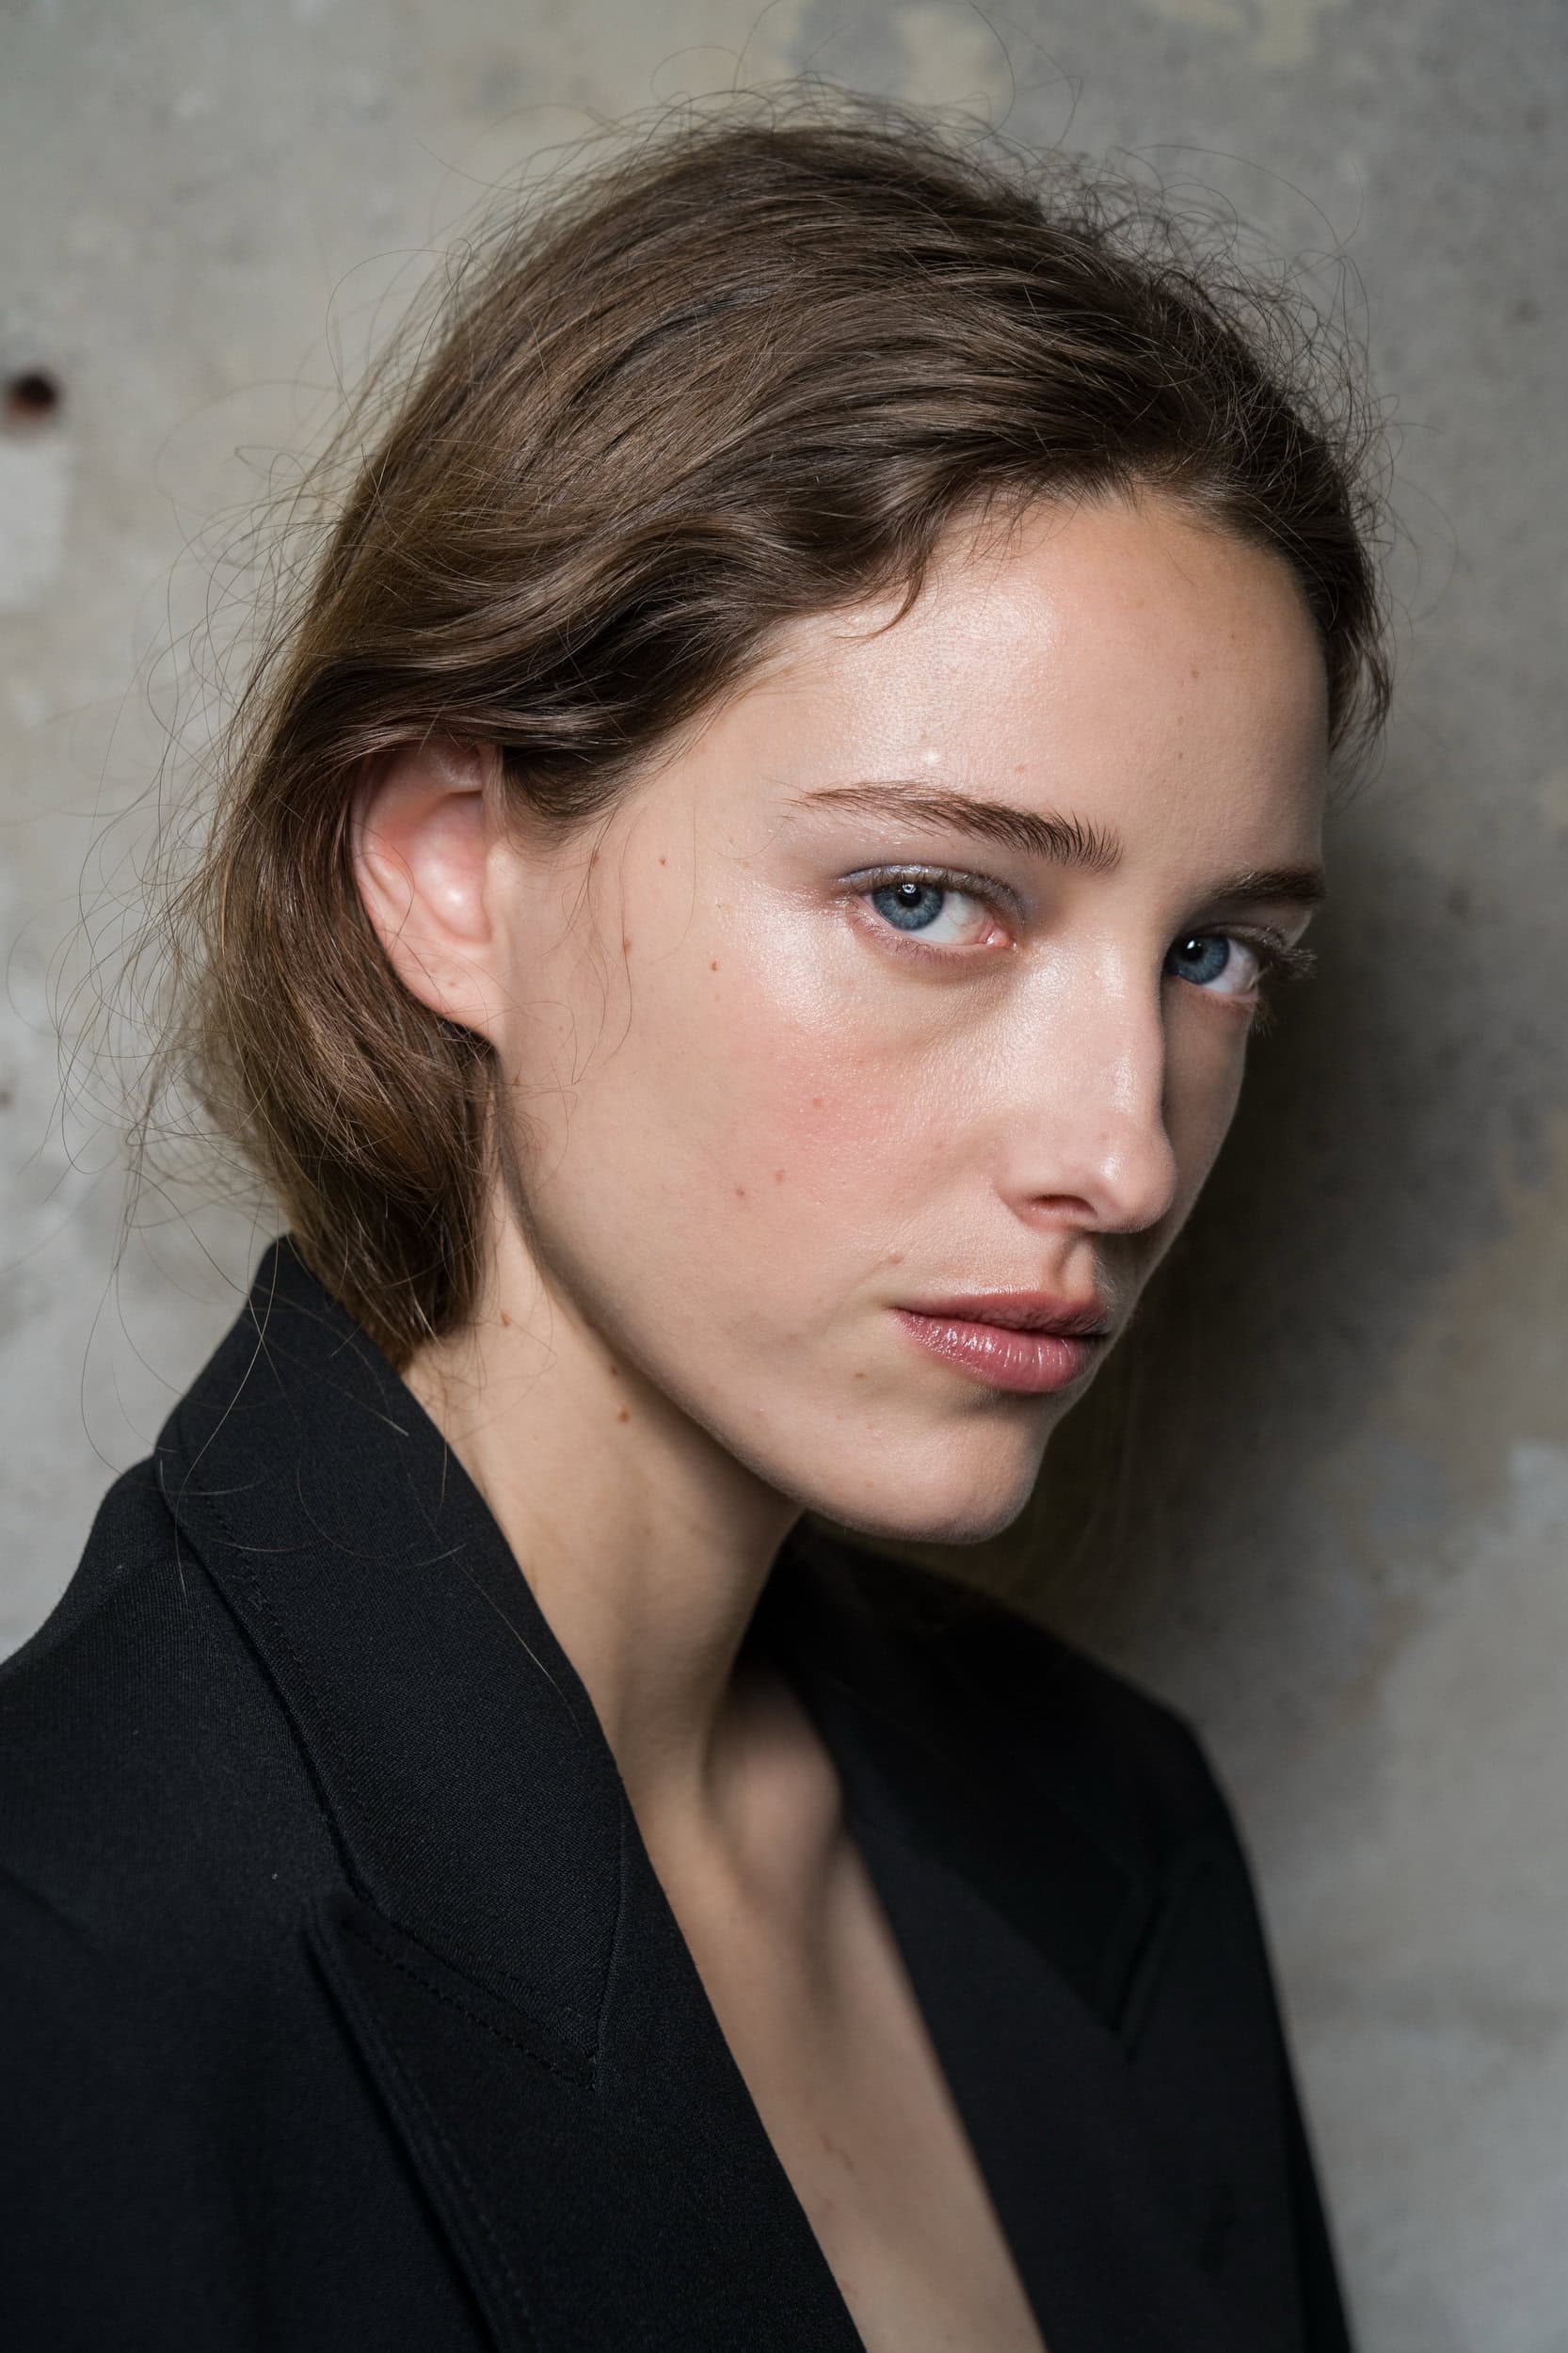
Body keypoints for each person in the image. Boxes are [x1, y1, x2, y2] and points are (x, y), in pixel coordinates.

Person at [0, 92, 1389, 2353]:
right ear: (451, 866)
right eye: (927, 896)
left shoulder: (1110, 1831)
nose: (1124, 1153)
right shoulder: (71, 1978)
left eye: (1214, 952)